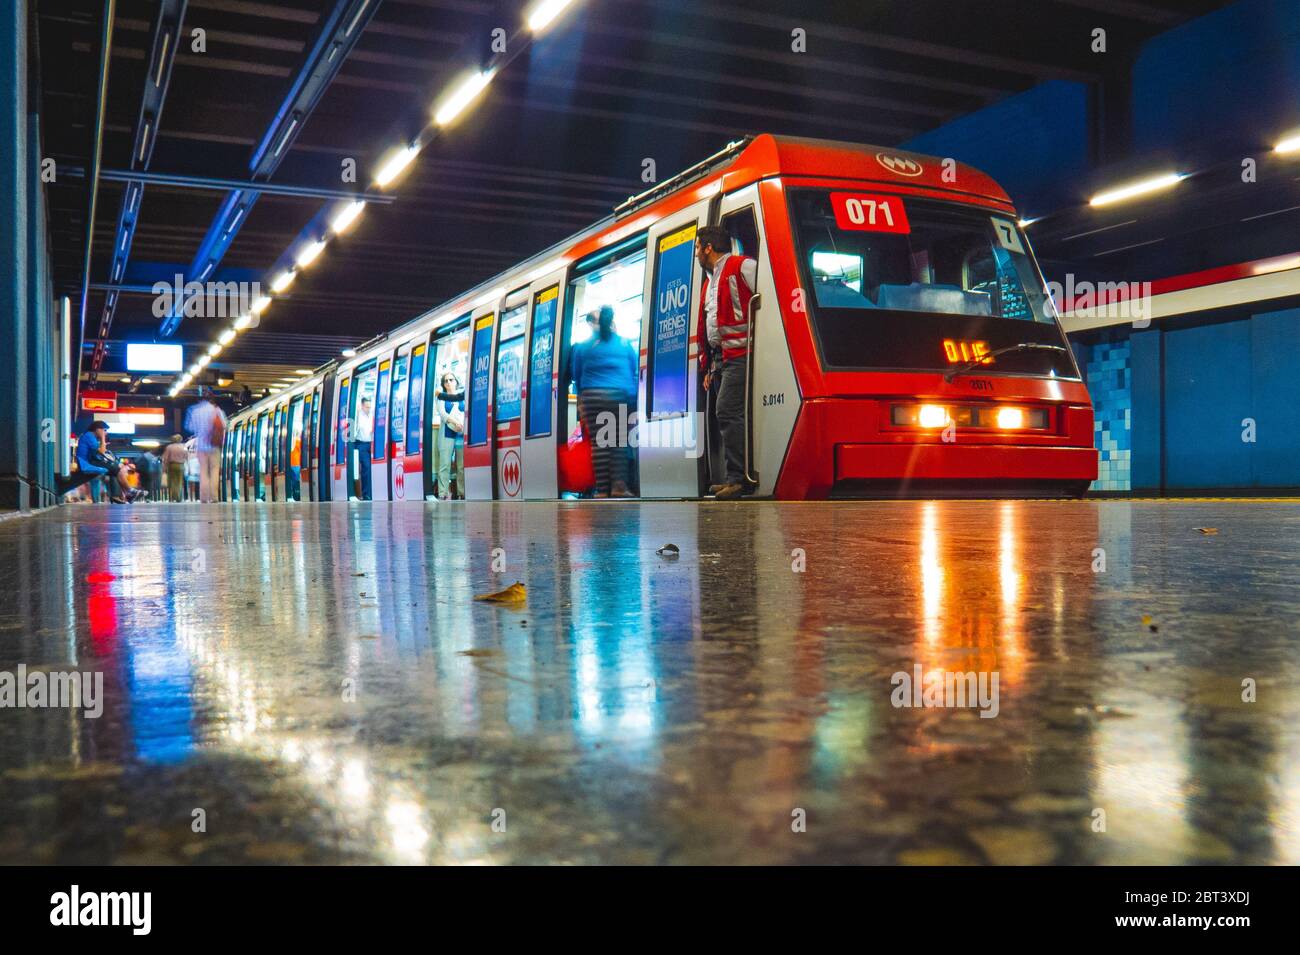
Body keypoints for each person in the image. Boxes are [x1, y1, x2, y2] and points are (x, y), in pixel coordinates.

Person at [695, 225, 759, 500]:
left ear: (708, 247)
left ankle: (738, 479)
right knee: (725, 414)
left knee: (726, 411)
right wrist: (709, 365)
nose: (696, 253)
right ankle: (731, 477)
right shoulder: (710, 280)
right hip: (722, 358)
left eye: (697, 247)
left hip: (740, 354)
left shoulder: (743, 266)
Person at [571, 304, 638, 498]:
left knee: (599, 443)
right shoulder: (624, 344)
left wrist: (582, 401)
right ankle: (619, 487)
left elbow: (576, 374)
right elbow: (633, 371)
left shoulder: (583, 346)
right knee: (618, 443)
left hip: (591, 398)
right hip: (618, 396)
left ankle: (602, 490)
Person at [54, 421, 139, 503]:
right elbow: (102, 452)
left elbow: (100, 452)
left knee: (115, 469)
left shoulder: (90, 437)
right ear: (98, 429)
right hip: (86, 463)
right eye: (104, 430)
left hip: (88, 462)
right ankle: (128, 492)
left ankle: (127, 493)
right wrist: (102, 438)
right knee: (115, 468)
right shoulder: (89, 436)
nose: (105, 433)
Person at [184, 388, 228, 503]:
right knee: (214, 470)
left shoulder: (194, 410)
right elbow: (224, 425)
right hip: (214, 445)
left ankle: (203, 497)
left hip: (201, 445)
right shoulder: (216, 410)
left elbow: (189, 427)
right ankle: (214, 497)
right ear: (211, 399)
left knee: (203, 471)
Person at [433, 373, 465, 499]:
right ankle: (443, 493)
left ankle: (461, 492)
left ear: (456, 381)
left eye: (451, 379)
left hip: (461, 433)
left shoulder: (462, 395)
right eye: (445, 381)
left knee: (461, 466)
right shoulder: (441, 397)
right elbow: (442, 414)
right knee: (445, 464)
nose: (448, 382)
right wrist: (456, 422)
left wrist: (461, 425)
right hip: (447, 433)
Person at [352, 395, 374, 500]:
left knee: (374, 468)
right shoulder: (357, 415)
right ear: (362, 406)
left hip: (373, 444)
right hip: (361, 444)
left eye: (369, 407)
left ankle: (374, 492)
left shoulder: (372, 414)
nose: (368, 409)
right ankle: (366, 494)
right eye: (366, 407)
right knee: (366, 467)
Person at [161, 434, 188, 502]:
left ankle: (173, 497)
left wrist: (164, 468)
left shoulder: (169, 447)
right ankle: (179, 497)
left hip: (172, 465)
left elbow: (165, 458)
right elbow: (186, 456)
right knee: (179, 482)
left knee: (172, 482)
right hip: (181, 465)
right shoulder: (184, 447)